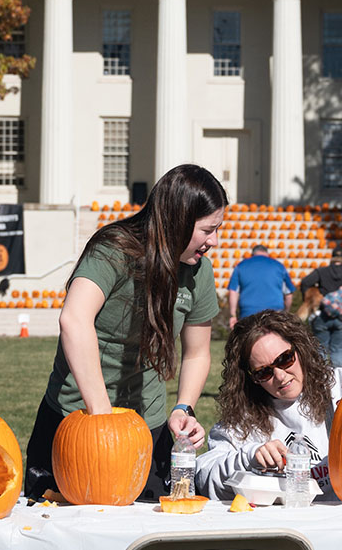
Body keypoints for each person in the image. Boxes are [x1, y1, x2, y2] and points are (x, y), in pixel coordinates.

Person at [24, 164, 226, 501]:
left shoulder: (199, 272)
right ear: (177, 219)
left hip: (148, 428)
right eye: (207, 230)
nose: (214, 241)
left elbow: (197, 352)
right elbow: (74, 320)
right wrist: (102, 418)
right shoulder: (113, 249)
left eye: (218, 229)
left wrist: (184, 409)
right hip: (74, 421)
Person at [196, 311, 342, 502]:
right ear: (251, 378)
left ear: (299, 350)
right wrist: (249, 456)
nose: (280, 376)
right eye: (264, 372)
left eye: (285, 359)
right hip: (285, 527)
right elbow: (203, 475)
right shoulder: (242, 419)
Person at [227, 245, 295, 328]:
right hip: (275, 315)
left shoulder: (241, 266)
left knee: (250, 339)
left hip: (248, 314)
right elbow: (288, 294)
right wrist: (285, 313)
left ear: (252, 255)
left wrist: (232, 315)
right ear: (267, 254)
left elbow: (233, 291)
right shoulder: (279, 266)